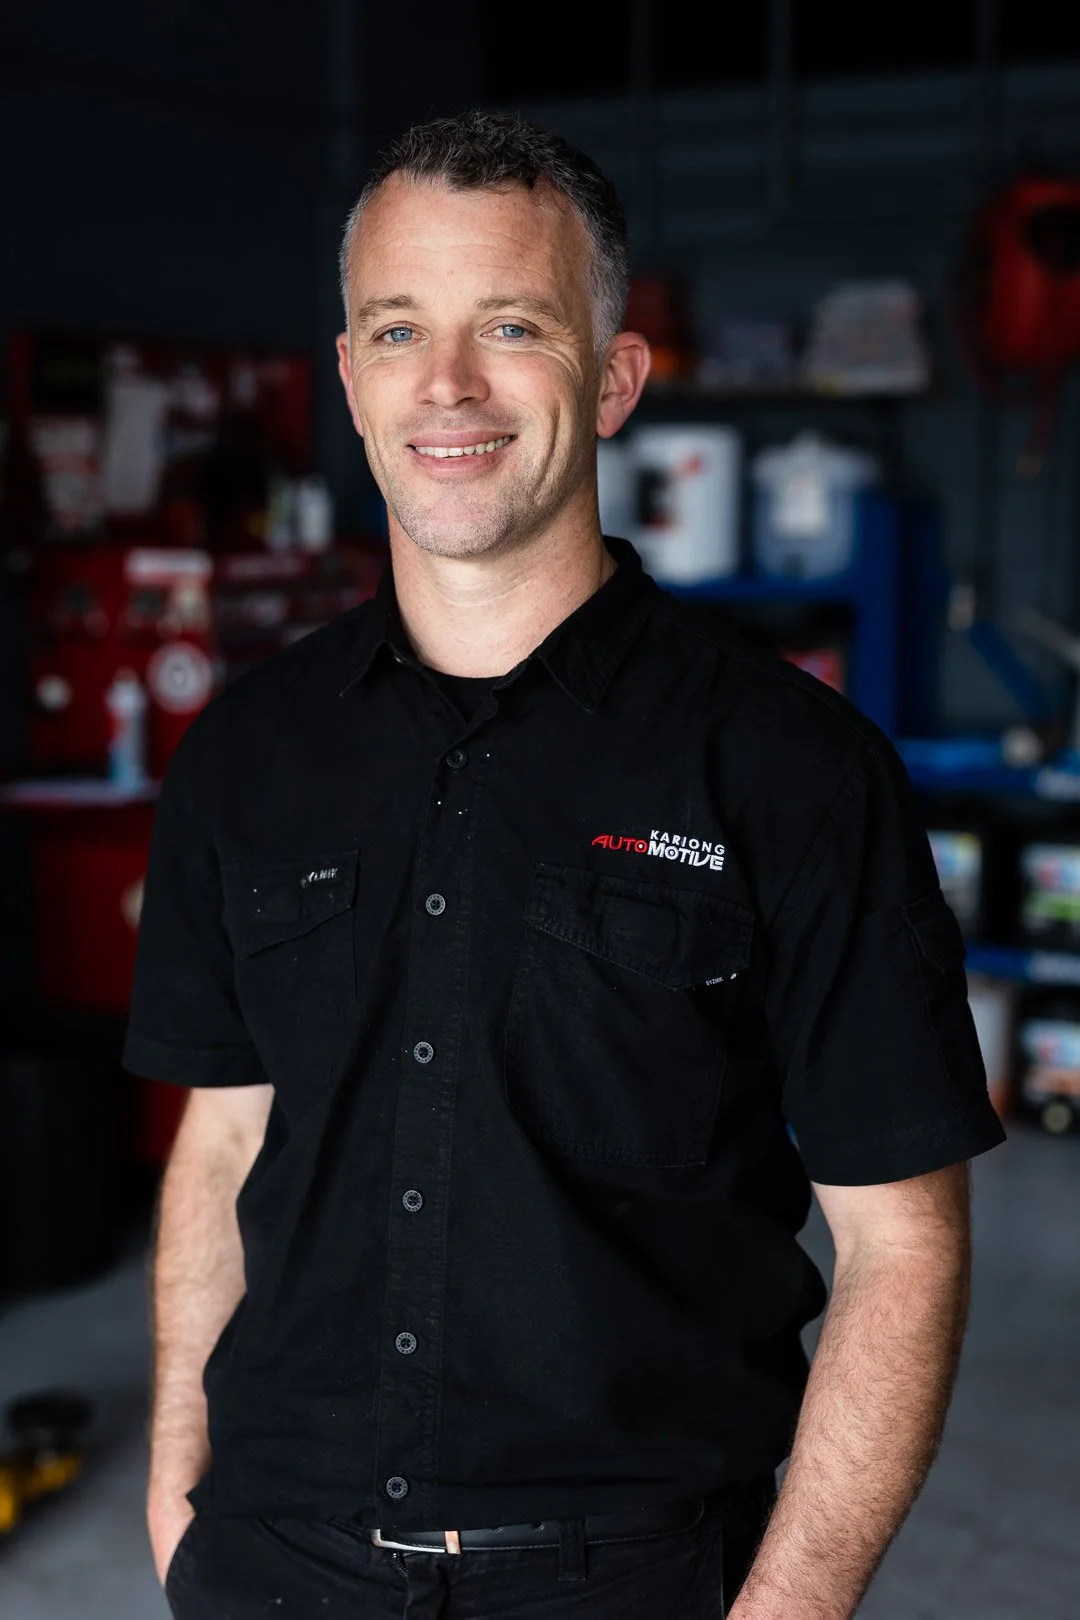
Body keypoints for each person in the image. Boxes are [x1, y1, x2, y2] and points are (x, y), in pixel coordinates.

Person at [125, 110, 1005, 1620]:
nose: (448, 385)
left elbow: (900, 1241)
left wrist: (787, 1607)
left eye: (511, 325)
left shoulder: (793, 770)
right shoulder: (245, 755)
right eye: (398, 328)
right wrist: (175, 1492)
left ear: (611, 378)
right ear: (350, 377)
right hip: (270, 1559)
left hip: (634, 1577)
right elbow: (223, 1140)